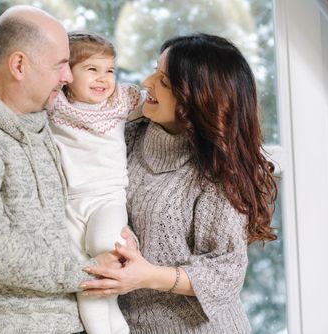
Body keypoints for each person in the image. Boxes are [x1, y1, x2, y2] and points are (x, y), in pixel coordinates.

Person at [0, 5, 120, 333]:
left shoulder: (40, 119)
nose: (68, 76)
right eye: (60, 65)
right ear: (18, 65)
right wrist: (89, 272)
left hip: (73, 322)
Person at [79, 34, 278, 334]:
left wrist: (146, 276)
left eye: (164, 81)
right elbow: (68, 99)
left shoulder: (217, 173)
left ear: (197, 99)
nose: (147, 82)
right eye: (153, 71)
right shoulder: (127, 134)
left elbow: (226, 272)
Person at [0, 31, 143, 334]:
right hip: (68, 203)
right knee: (86, 278)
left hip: (107, 197)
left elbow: (157, 100)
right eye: (92, 70)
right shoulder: (55, 102)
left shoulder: (121, 100)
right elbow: (6, 90)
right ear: (67, 74)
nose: (103, 79)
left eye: (109, 70)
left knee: (103, 251)